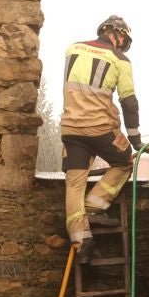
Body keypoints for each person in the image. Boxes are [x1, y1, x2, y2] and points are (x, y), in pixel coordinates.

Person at [59, 15, 141, 255]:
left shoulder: (72, 49)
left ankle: (81, 242)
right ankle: (94, 207)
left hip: (71, 129)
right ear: (119, 36)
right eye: (123, 41)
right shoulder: (120, 60)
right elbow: (129, 102)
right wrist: (135, 139)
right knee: (125, 161)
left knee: (74, 183)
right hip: (101, 129)